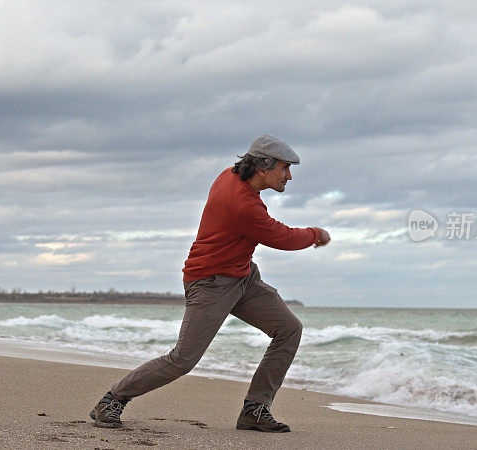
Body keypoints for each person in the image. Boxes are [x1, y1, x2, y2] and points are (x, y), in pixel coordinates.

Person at [90, 134, 331, 433]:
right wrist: (315, 234)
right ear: (263, 168)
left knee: (289, 329)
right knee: (182, 359)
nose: (289, 175)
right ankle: (111, 400)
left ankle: (255, 410)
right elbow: (281, 237)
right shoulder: (243, 205)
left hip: (243, 277)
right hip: (211, 282)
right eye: (284, 168)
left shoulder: (231, 174)